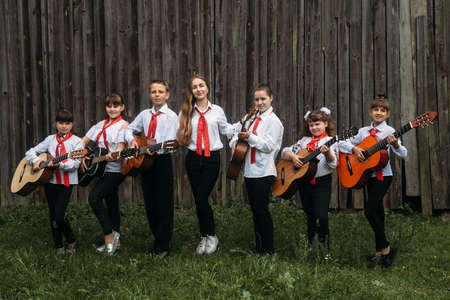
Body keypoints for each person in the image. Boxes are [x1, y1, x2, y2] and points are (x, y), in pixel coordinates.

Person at [339, 96, 407, 267]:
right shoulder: (362, 132)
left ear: (387, 114)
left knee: (369, 211)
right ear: (371, 112)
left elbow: (403, 154)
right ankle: (380, 253)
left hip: (384, 176)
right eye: (376, 109)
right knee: (378, 213)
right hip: (367, 175)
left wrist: (396, 145)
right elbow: (341, 143)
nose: (378, 112)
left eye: (382, 110)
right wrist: (355, 149)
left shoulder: (390, 131)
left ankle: (386, 247)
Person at [177, 74, 238, 255]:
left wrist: (239, 127)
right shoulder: (186, 111)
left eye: (201, 85)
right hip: (193, 158)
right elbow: (178, 134)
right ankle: (204, 235)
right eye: (195, 87)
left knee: (202, 197)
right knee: (198, 199)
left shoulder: (217, 110)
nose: (199, 89)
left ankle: (212, 235)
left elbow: (226, 130)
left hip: (212, 158)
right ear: (192, 91)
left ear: (207, 88)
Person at [125, 79, 178, 256]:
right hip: (145, 162)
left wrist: (157, 147)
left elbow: (171, 143)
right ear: (149, 95)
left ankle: (163, 245)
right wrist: (132, 140)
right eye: (154, 92)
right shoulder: (145, 115)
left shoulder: (172, 117)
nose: (157, 95)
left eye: (160, 92)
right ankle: (157, 236)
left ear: (167, 95)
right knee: (150, 201)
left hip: (162, 161)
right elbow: (129, 129)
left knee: (164, 202)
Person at [230, 84, 283, 255]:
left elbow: (268, 146)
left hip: (264, 171)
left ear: (271, 98)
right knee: (255, 210)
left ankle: (268, 250)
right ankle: (259, 246)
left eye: (263, 99)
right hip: (250, 170)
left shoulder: (274, 122)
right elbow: (236, 132)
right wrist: (234, 143)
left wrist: (250, 137)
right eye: (257, 99)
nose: (259, 102)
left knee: (262, 210)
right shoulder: (251, 118)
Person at [25, 108, 83, 254]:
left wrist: (60, 164)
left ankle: (71, 239)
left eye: (68, 123)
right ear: (56, 123)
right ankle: (58, 246)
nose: (64, 126)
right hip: (50, 182)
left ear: (72, 124)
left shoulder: (77, 143)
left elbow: (74, 164)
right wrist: (37, 160)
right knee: (52, 215)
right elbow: (30, 152)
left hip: (66, 183)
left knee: (58, 214)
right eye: (61, 122)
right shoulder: (50, 140)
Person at [281, 107, 338, 251]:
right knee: (310, 214)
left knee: (321, 215)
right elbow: (284, 152)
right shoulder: (304, 141)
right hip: (304, 182)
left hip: (322, 183)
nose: (314, 127)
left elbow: (333, 164)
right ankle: (312, 245)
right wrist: (293, 157)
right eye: (311, 125)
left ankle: (325, 248)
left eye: (317, 124)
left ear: (325, 123)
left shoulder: (330, 141)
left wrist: (327, 154)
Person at [81, 93, 128, 255]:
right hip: (101, 170)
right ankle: (117, 241)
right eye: (109, 106)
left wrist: (116, 153)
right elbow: (84, 141)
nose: (112, 109)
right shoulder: (100, 125)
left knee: (94, 198)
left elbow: (121, 145)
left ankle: (109, 236)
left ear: (122, 107)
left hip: (116, 170)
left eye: (116, 106)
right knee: (111, 202)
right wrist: (81, 154)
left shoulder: (124, 125)